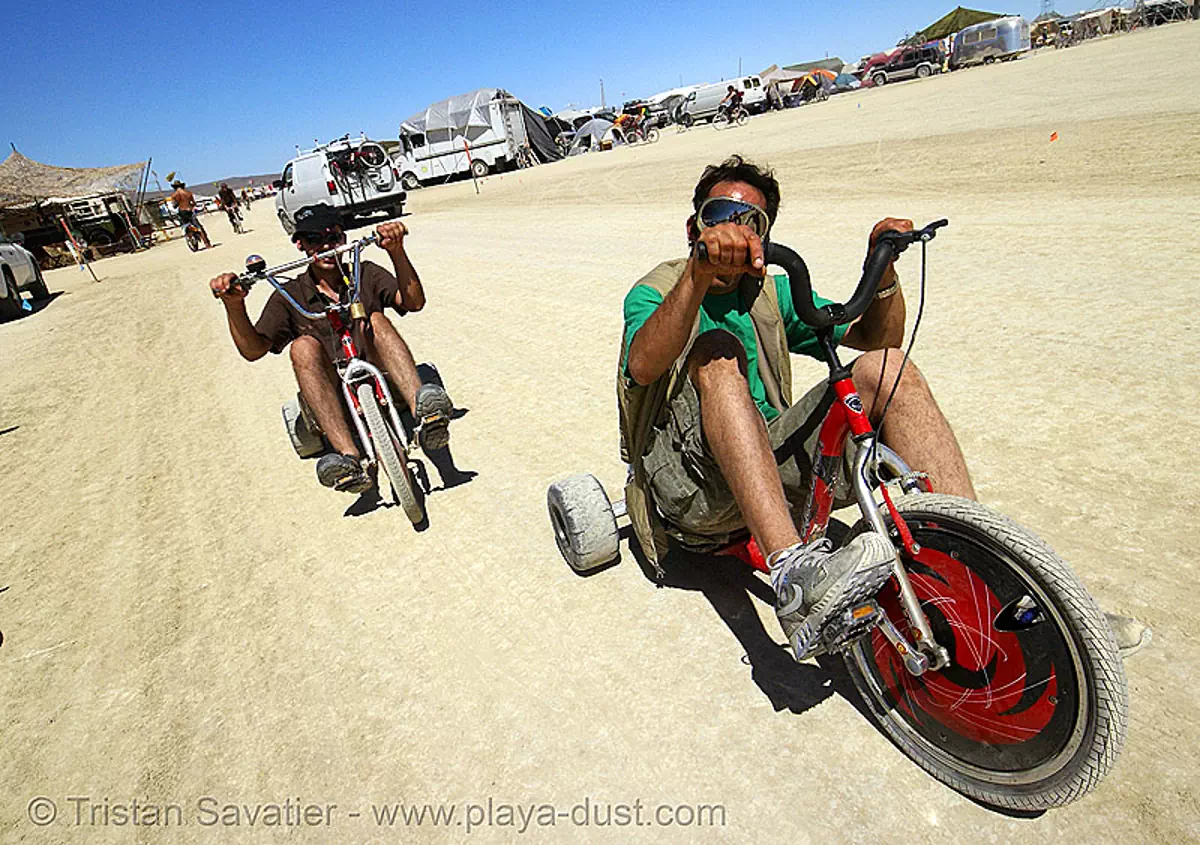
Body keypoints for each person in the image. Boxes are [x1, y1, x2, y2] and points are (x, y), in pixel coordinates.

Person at [618, 155, 1150, 660]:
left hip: (767, 473)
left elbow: (877, 338)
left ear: (764, 239)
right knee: (717, 351)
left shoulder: (768, 294)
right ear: (694, 227)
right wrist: (698, 274)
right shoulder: (657, 289)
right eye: (719, 216)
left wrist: (884, 270)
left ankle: (990, 575)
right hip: (693, 488)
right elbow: (642, 364)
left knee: (888, 369)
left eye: (749, 222)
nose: (733, 231)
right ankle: (794, 576)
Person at [208, 204, 454, 494]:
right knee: (301, 347)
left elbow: (413, 302)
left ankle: (425, 416)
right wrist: (234, 305)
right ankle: (349, 458)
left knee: (376, 319)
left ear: (343, 238)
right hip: (332, 399)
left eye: (333, 237)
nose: (325, 246)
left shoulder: (365, 273)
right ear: (300, 244)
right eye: (314, 239)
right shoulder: (290, 294)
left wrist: (396, 251)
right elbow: (253, 351)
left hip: (384, 377)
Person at [168, 180, 211, 249]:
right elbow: (193, 203)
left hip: (182, 212)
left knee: (185, 225)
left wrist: (178, 203)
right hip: (190, 211)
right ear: (182, 186)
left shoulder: (174, 195)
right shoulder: (188, 193)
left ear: (174, 187)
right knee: (199, 227)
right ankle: (207, 243)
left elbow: (174, 206)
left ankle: (189, 237)